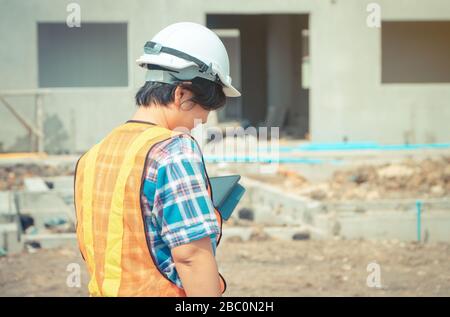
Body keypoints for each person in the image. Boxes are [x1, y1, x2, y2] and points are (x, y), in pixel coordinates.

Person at [74, 22, 240, 297]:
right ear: (182, 94)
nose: (202, 122)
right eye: (203, 111)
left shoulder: (93, 156)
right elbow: (191, 256)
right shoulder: (173, 151)